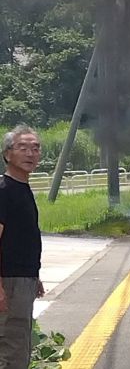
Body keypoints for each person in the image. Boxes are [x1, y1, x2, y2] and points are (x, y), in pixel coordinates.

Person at [0, 124, 44, 369]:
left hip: (22, 280)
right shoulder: (4, 190)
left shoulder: (22, 189)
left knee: (19, 345)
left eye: (35, 149)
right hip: (8, 282)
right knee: (11, 350)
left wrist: (34, 276)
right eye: (23, 148)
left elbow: (22, 240)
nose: (30, 154)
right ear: (7, 154)